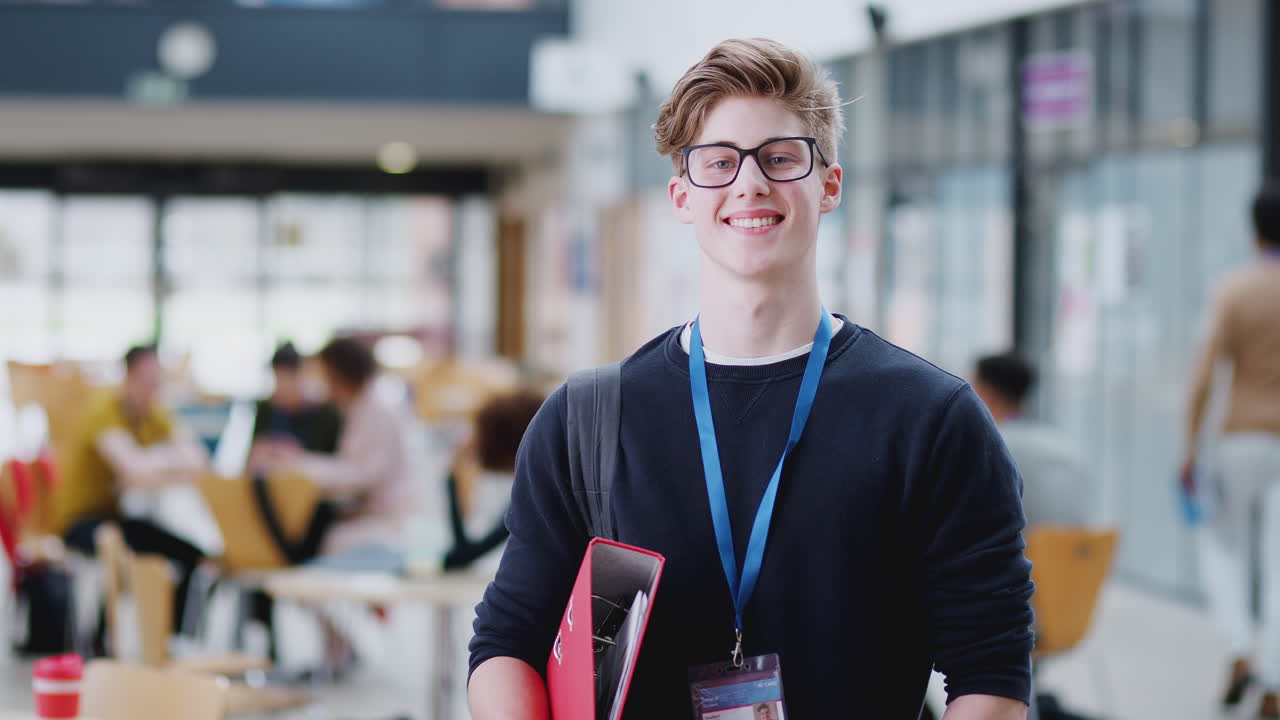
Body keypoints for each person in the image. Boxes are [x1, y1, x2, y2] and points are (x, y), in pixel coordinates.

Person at [468, 38, 1033, 719]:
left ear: (829, 184)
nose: (750, 183)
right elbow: (507, 643)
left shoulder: (930, 418)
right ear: (682, 196)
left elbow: (991, 673)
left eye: (780, 157)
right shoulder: (588, 418)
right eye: (719, 162)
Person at [1184, 180, 1280, 719]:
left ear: (1254, 229)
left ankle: (1240, 649)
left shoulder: (1235, 289)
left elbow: (1203, 377)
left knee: (1221, 549)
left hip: (1239, 438)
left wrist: (1188, 447)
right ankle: (1274, 680)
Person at [54, 344, 209, 638]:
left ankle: (173, 641)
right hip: (80, 519)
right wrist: (166, 463)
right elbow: (135, 470)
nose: (153, 387)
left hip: (116, 516)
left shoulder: (154, 411)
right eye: (147, 379)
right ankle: (99, 639)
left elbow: (199, 462)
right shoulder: (103, 409)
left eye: (157, 380)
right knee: (116, 548)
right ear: (128, 376)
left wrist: (154, 462)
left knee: (192, 555)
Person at [259, 337, 413, 571]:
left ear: (338, 375)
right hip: (367, 517)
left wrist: (297, 463)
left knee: (310, 546)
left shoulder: (377, 413)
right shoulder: (357, 410)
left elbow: (362, 476)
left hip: (386, 526)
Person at [973, 351, 1096, 529]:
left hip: (1028, 553)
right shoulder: (1059, 443)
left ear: (987, 392)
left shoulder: (991, 446)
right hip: (1082, 554)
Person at [442, 388, 545, 574]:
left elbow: (461, 556)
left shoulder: (531, 495)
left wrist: (452, 480)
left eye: (477, 432)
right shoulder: (529, 487)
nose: (471, 441)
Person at [247, 342, 343, 471]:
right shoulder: (266, 409)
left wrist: (297, 457)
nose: (281, 386)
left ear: (301, 376)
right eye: (277, 378)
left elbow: (337, 464)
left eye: (287, 378)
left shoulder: (327, 414)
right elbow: (252, 457)